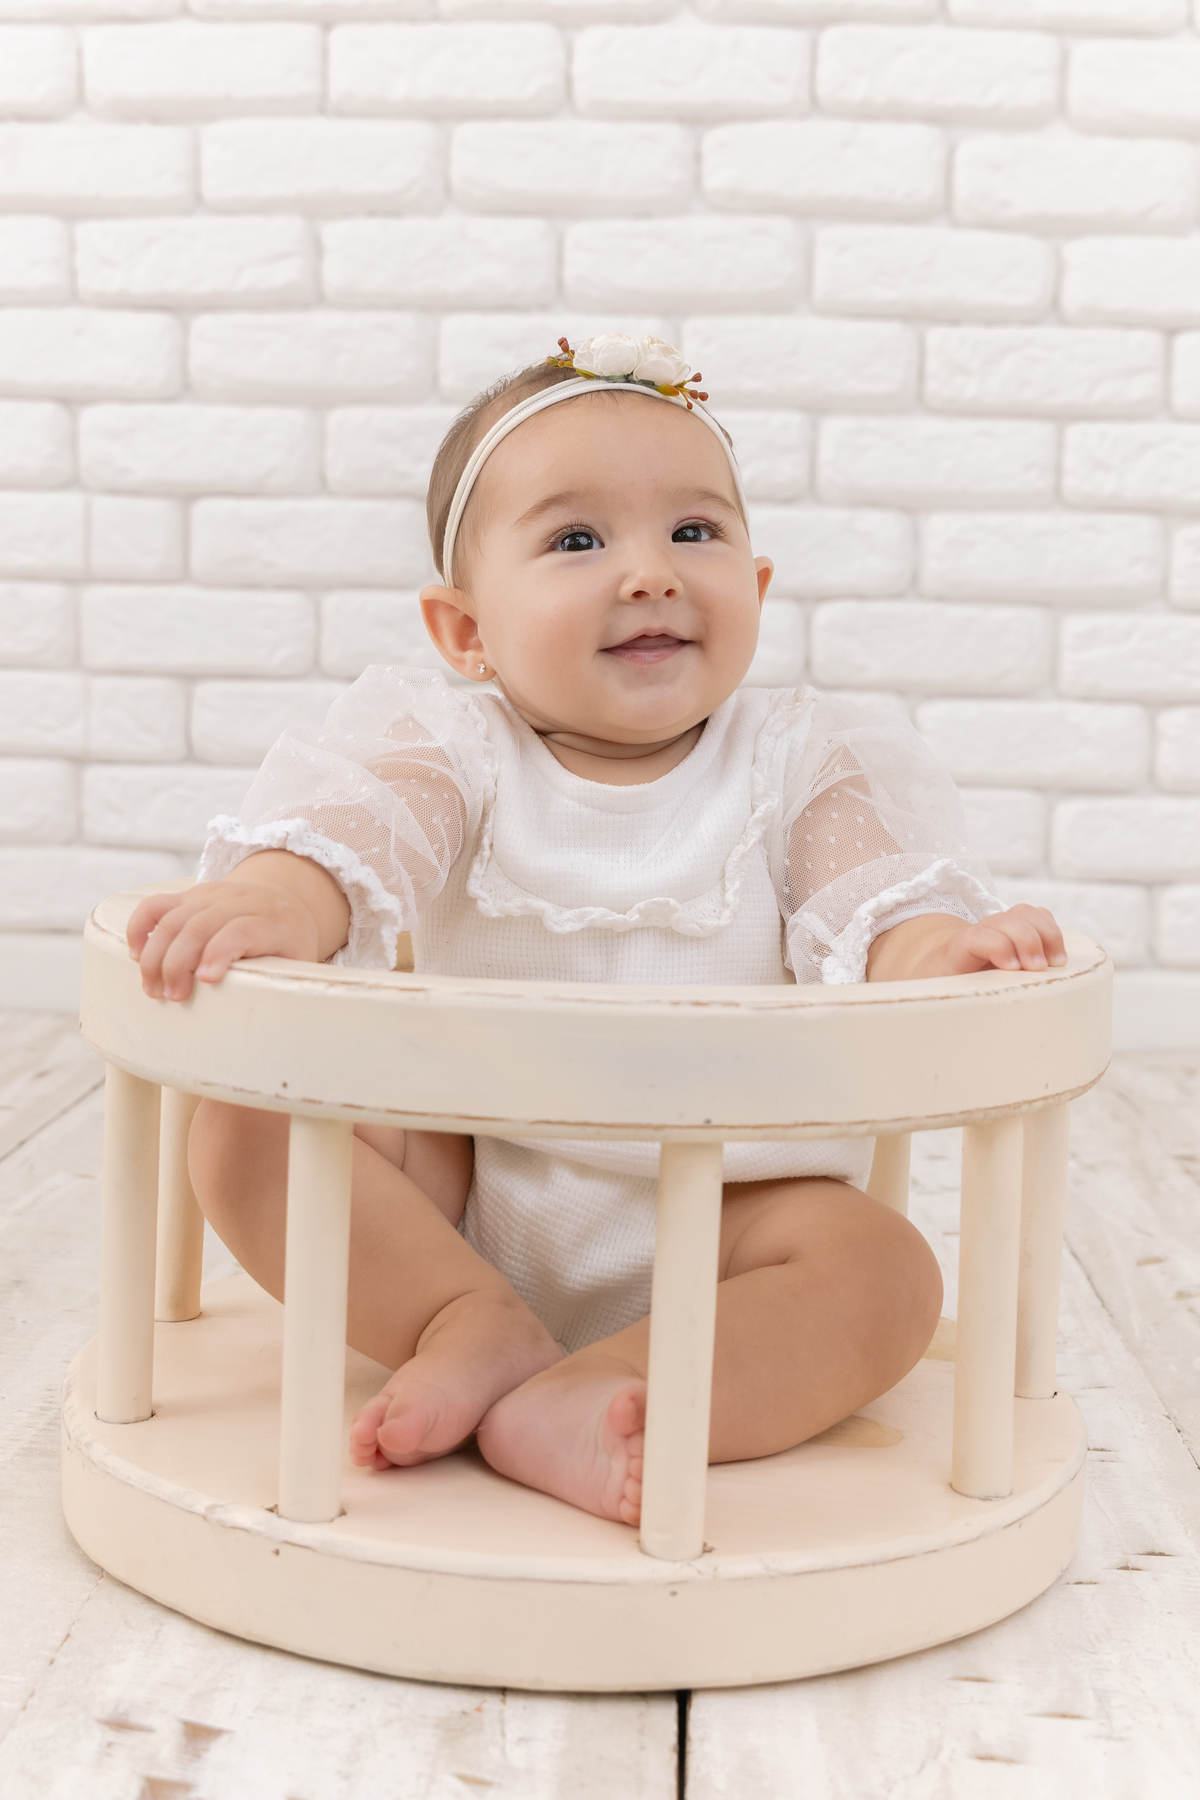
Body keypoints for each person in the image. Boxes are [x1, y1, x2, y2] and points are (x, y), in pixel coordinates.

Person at [127, 335, 1066, 1530]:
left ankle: (607, 1393)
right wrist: (276, 897)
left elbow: (873, 900)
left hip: (739, 1214)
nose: (649, 574)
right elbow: (353, 834)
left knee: (884, 1271)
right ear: (465, 631)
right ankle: (462, 1320)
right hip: (474, 1190)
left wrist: (940, 952)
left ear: (759, 591)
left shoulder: (796, 762)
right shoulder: (457, 749)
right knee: (244, 1128)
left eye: (694, 532)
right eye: (578, 541)